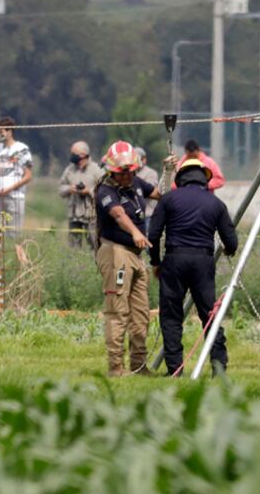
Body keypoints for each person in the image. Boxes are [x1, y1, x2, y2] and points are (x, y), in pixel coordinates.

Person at [148, 158, 238, 376]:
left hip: (174, 259)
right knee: (209, 315)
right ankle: (219, 367)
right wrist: (228, 250)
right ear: (204, 179)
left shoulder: (168, 200)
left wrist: (156, 262)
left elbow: (153, 234)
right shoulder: (216, 204)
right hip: (203, 262)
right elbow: (231, 241)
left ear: (180, 178)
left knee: (171, 316)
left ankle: (175, 369)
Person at [95, 140, 163, 377]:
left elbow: (159, 194)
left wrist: (169, 170)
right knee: (117, 311)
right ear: (111, 171)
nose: (126, 176)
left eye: (129, 171)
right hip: (116, 253)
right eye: (121, 172)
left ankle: (139, 365)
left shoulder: (137, 184)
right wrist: (135, 232)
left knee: (140, 313)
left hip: (136, 255)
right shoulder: (105, 191)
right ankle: (116, 367)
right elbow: (118, 214)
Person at [0, 117, 33, 237]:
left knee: (14, 232)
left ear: (10, 131)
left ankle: (15, 249)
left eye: (1, 132)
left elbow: (28, 176)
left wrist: (9, 189)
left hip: (15, 197)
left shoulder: (22, 149)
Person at [57, 141, 103, 247]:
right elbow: (60, 189)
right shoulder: (69, 169)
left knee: (95, 245)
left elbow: (104, 190)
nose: (72, 156)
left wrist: (89, 191)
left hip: (92, 216)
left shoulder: (96, 170)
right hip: (74, 215)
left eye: (74, 154)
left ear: (83, 155)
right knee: (74, 246)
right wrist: (70, 189)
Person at [133, 146, 160, 218]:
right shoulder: (130, 174)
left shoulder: (151, 173)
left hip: (148, 213)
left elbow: (149, 191)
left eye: (141, 159)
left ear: (144, 159)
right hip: (135, 214)